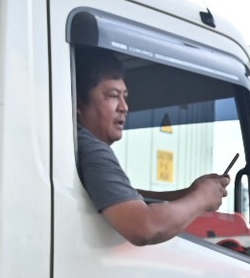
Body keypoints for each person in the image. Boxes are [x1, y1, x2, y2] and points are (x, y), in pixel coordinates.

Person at [73, 49, 229, 245]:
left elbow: (122, 196)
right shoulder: (93, 150)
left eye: (125, 97)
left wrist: (186, 194)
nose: (124, 107)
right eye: (113, 96)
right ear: (78, 104)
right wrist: (201, 198)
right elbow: (145, 226)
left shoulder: (75, 146)